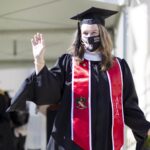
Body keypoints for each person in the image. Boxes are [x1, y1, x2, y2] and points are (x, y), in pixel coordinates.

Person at [8, 7, 150, 150]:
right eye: (85, 33)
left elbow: (128, 106)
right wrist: (39, 62)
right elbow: (50, 91)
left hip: (106, 142)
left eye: (94, 32)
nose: (89, 36)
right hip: (72, 142)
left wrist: (146, 129)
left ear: (102, 34)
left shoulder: (118, 67)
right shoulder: (69, 64)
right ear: (80, 36)